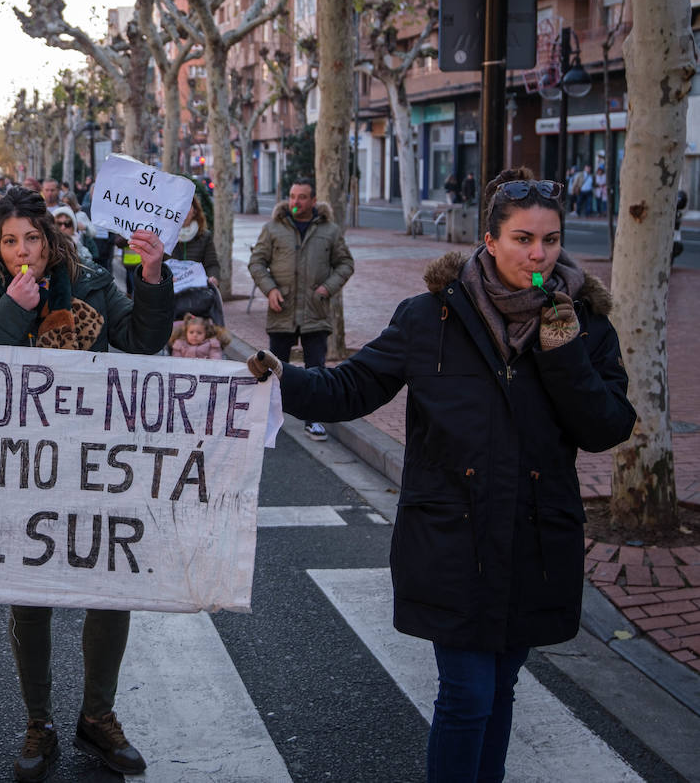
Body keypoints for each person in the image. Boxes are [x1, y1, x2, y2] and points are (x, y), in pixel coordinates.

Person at [248, 169, 635, 783]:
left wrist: (565, 358)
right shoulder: (430, 316)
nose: (539, 254)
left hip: (535, 536)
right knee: (467, 694)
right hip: (452, 538)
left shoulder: (581, 323)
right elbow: (352, 386)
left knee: (502, 688)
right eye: (522, 238)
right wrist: (280, 379)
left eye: (551, 240)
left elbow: (607, 427)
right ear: (489, 238)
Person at [0, 186, 172, 782]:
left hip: (97, 459)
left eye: (31, 238)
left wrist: (152, 278)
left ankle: (97, 717)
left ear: (50, 240)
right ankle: (40, 722)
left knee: (110, 584)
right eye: (9, 241)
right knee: (32, 592)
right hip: (22, 467)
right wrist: (13, 312)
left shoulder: (96, 282)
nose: (22, 251)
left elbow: (141, 342)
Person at [247, 178, 354, 441]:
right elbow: (257, 262)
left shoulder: (329, 230)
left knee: (315, 368)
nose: (296, 202)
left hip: (315, 311)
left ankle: (313, 419)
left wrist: (326, 289)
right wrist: (270, 289)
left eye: (302, 197)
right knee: (273, 368)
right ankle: (271, 418)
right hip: (281, 310)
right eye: (293, 196)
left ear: (313, 201)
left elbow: (345, 264)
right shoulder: (273, 228)